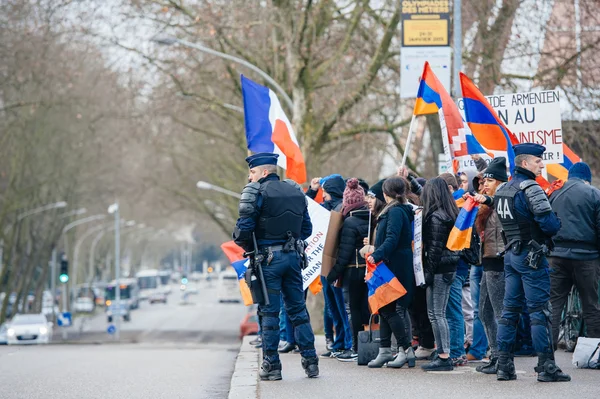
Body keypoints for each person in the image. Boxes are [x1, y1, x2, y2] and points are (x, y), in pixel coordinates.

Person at [477, 143, 570, 382]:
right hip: (532, 256)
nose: (542, 164)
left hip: (511, 256)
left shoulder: (504, 189)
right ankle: (547, 366)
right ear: (526, 163)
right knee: (539, 311)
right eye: (539, 161)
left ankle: (504, 366)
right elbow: (549, 225)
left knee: (509, 312)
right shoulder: (532, 188)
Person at [233, 153, 318, 380]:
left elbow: (242, 232)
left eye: (252, 172)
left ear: (264, 172)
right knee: (298, 311)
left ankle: (272, 366)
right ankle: (311, 362)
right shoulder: (294, 191)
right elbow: (306, 230)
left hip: (267, 260)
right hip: (292, 258)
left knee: (269, 312)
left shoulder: (256, 192)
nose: (250, 177)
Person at [366, 177, 417, 369]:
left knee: (389, 308)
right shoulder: (394, 210)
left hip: (395, 264)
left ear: (385, 193)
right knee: (384, 305)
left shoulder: (395, 211)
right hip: (390, 262)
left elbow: (392, 239)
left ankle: (406, 349)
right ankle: (385, 350)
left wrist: (376, 254)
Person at [549, 162, 600, 343]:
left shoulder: (554, 192)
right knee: (591, 305)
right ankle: (595, 352)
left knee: (554, 305)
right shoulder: (594, 193)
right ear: (587, 178)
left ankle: (548, 357)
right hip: (587, 257)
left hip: (556, 257)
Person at [326, 178, 371, 362]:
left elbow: (344, 254)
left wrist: (332, 274)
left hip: (352, 270)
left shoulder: (349, 223)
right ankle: (366, 346)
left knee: (352, 310)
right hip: (368, 270)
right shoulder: (371, 218)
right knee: (364, 308)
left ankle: (355, 347)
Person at [421, 177, 460, 371]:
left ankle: (444, 356)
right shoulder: (449, 212)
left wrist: (427, 273)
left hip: (439, 270)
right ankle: (443, 351)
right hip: (448, 267)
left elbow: (435, 250)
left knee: (437, 314)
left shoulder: (436, 216)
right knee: (438, 313)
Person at [472, 157, 508, 373]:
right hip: (487, 260)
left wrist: (487, 201)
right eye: (484, 181)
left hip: (499, 260)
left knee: (499, 312)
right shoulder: (488, 203)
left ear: (499, 182)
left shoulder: (503, 198)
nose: (484, 185)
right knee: (484, 311)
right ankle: (495, 354)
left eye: (489, 181)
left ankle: (504, 358)